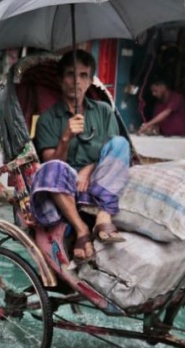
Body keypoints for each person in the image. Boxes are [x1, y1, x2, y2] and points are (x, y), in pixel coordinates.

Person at [31, 49, 131, 263]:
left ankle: (104, 214)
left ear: (90, 81)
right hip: (65, 188)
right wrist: (66, 137)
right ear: (60, 80)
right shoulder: (48, 119)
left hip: (99, 182)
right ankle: (82, 229)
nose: (76, 81)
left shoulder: (104, 111)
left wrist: (88, 169)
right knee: (50, 169)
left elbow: (113, 151)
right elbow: (51, 164)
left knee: (121, 143)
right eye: (70, 74)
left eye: (83, 75)